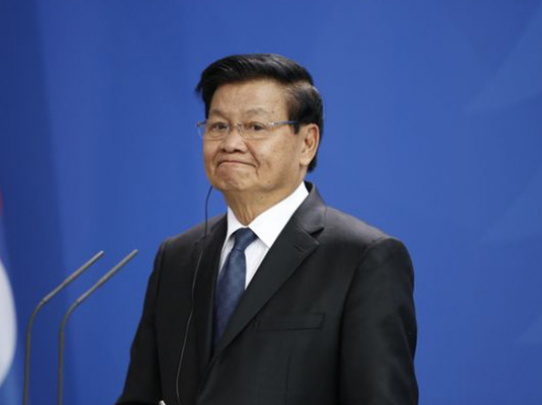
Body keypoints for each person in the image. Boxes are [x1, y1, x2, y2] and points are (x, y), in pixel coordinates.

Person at [117, 53, 418, 405]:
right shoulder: (177, 258)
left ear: (307, 143)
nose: (231, 143)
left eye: (255, 127)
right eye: (218, 126)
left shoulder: (363, 258)